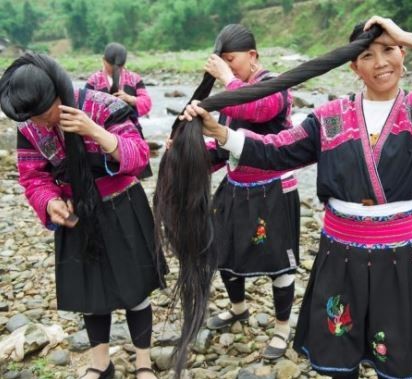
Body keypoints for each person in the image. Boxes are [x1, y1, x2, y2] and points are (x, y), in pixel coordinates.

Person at [181, 15, 412, 379]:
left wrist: (409, 35)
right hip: (339, 255)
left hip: (398, 257)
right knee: (338, 357)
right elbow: (275, 150)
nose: (381, 63)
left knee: (395, 356)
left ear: (403, 54)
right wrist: (219, 132)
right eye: (368, 56)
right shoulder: (329, 117)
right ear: (354, 66)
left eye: (389, 50)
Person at [0, 53, 166, 379]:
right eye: (33, 119)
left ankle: (144, 362)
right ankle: (100, 363)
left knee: (136, 291)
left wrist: (96, 132)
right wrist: (49, 202)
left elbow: (139, 155)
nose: (42, 125)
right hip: (77, 215)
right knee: (92, 294)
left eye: (46, 115)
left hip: (122, 207)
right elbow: (33, 177)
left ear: (59, 93)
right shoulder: (32, 128)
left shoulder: (103, 107)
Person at [199, 24, 299, 360]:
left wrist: (227, 78)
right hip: (236, 186)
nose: (228, 66)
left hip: (273, 189)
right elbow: (224, 142)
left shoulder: (274, 85)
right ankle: (238, 307)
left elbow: (260, 108)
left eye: (232, 60)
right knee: (223, 251)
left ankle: (283, 327)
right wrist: (189, 154)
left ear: (253, 56)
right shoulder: (232, 96)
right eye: (223, 61)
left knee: (278, 263)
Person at [86, 42, 153, 178]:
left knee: (133, 175)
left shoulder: (134, 79)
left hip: (131, 133)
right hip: (102, 134)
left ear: (103, 60)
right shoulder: (94, 81)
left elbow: (147, 102)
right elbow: (85, 106)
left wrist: (131, 99)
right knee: (107, 177)